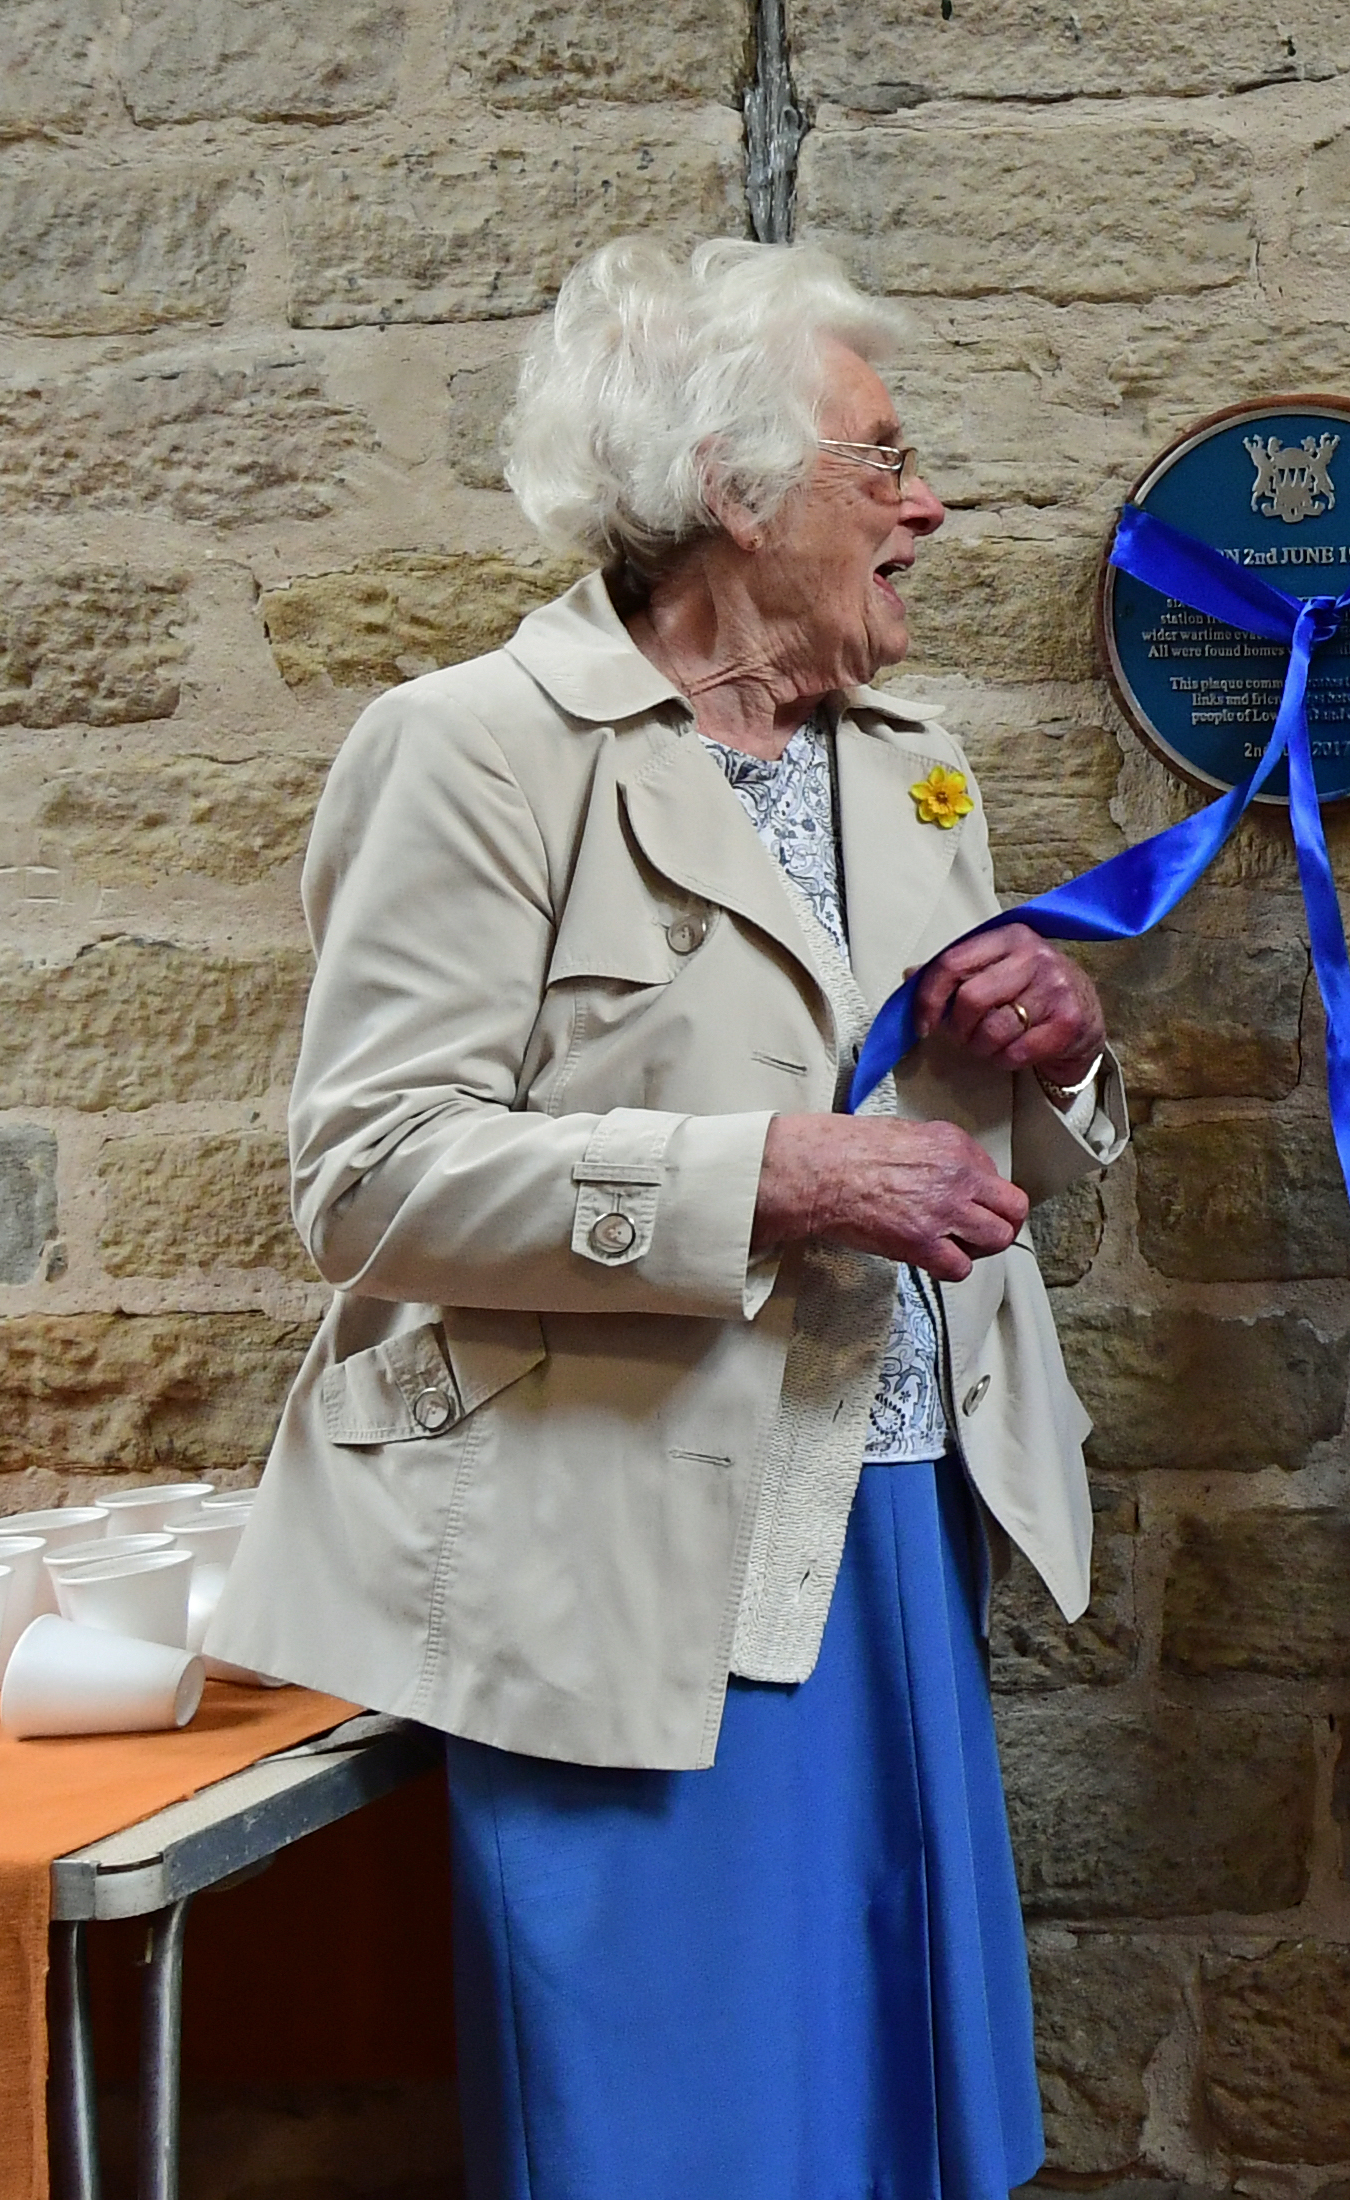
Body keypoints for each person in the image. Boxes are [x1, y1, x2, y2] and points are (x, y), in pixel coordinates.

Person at [212, 237, 1128, 2200]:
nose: (929, 503)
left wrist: (1047, 1053)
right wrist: (774, 1175)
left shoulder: (913, 770)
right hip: (614, 1570)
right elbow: (365, 1177)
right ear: (735, 486)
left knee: (890, 2109)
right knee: (678, 2133)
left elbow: (965, 1157)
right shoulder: (472, 751)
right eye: (882, 461)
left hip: (884, 1515)